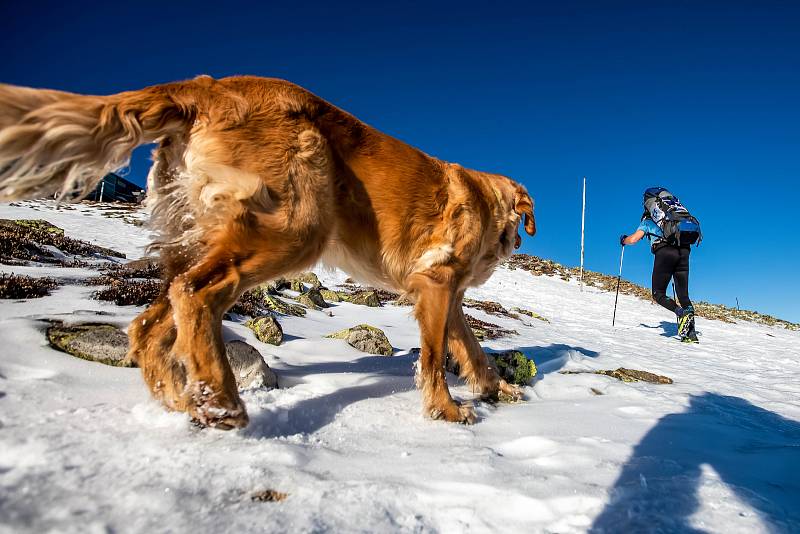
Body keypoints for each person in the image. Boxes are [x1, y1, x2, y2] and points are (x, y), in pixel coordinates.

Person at [620, 200, 698, 342]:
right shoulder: (673, 219)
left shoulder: (648, 221)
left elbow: (634, 239)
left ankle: (680, 313)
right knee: (684, 296)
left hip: (665, 253)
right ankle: (691, 334)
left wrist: (624, 240)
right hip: (684, 252)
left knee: (658, 294)